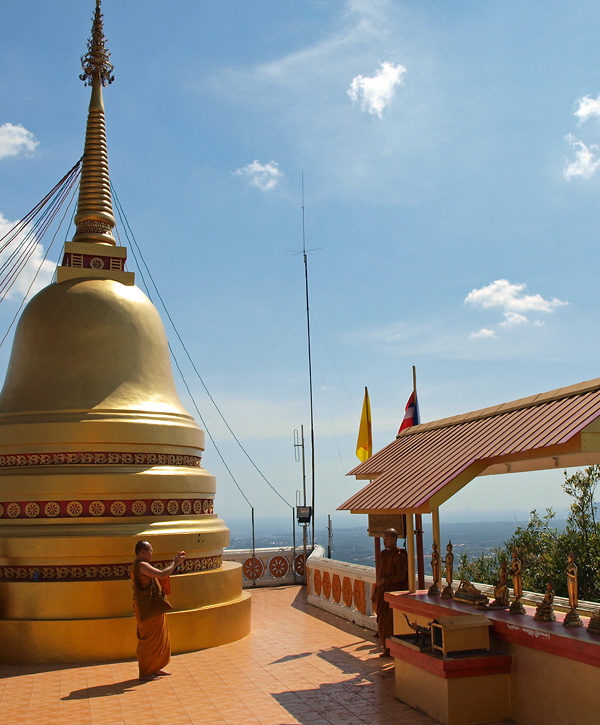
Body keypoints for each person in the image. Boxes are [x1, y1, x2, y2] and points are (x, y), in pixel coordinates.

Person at [131, 540, 186, 680]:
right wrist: (175, 562)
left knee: (159, 639)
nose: (152, 553)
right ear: (142, 552)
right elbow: (162, 575)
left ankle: (155, 668)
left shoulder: (142, 565)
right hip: (147, 608)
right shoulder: (141, 566)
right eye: (150, 551)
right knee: (148, 641)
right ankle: (145, 672)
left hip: (153, 606)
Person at [371, 528, 408, 657]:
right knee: (381, 620)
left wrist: (386, 581)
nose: (384, 541)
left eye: (386, 539)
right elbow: (381, 574)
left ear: (394, 539)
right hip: (382, 591)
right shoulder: (384, 554)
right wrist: (376, 590)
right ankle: (386, 646)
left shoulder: (400, 556)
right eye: (383, 539)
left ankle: (391, 648)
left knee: (390, 621)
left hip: (393, 592)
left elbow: (401, 576)